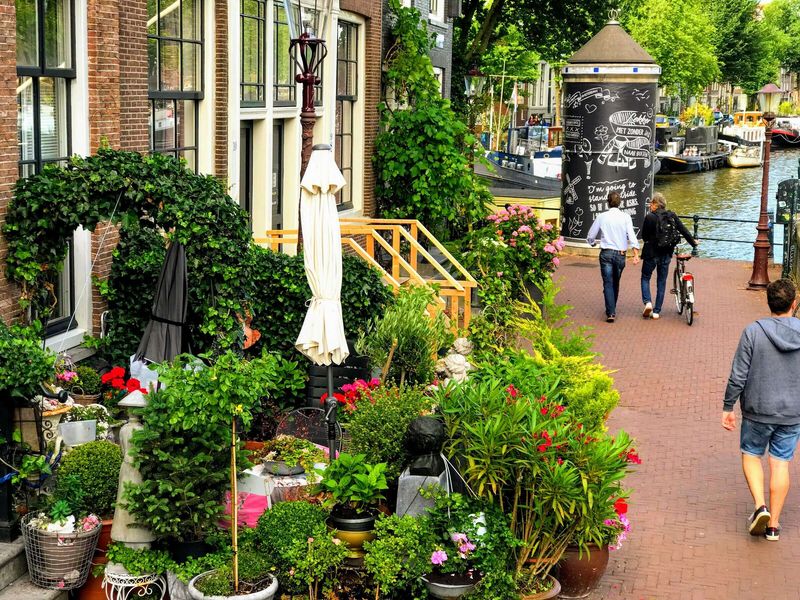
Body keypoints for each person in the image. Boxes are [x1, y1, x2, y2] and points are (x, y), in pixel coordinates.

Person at [722, 278, 800, 542]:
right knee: (781, 463)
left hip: (758, 409)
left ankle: (760, 507)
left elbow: (738, 375)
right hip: (792, 412)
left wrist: (728, 406)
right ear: (794, 303)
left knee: (752, 454)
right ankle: (774, 526)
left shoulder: (753, 332)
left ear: (769, 304)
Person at [639, 193, 698, 319]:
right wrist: (693, 243)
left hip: (651, 254)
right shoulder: (672, 215)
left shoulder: (649, 217)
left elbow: (644, 236)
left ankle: (647, 302)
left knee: (645, 277)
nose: (650, 205)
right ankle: (656, 311)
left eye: (651, 203)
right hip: (666, 253)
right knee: (661, 281)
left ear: (656, 204)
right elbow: (683, 230)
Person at [586, 191, 640, 322]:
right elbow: (632, 236)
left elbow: (591, 235)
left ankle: (611, 312)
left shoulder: (602, 216)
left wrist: (592, 243)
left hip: (606, 253)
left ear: (607, 202)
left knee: (608, 282)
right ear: (620, 202)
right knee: (616, 282)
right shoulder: (626, 217)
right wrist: (636, 254)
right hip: (620, 254)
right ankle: (611, 307)